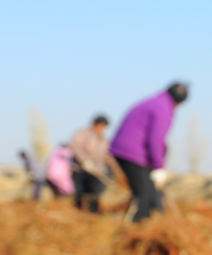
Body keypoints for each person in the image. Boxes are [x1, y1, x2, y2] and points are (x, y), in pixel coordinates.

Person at [109, 82, 188, 222]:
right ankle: (136, 227)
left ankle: (145, 221)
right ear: (178, 102)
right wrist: (159, 167)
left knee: (149, 191)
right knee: (144, 192)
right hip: (132, 153)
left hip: (129, 151)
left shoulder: (155, 102)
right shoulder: (163, 108)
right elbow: (156, 140)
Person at [70, 115, 117, 213]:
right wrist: (84, 161)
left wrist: (116, 169)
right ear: (95, 124)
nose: (101, 128)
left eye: (104, 127)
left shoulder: (103, 140)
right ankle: (79, 213)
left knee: (95, 194)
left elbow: (108, 156)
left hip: (96, 172)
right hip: (81, 169)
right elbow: (75, 147)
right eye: (100, 126)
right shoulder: (83, 134)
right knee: (81, 193)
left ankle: (92, 214)